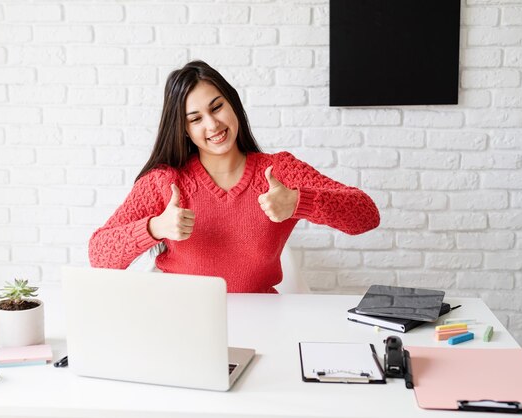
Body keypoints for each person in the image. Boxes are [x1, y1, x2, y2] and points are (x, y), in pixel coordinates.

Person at [88, 60, 380, 293]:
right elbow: (99, 254)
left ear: (233, 104)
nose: (213, 124)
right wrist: (154, 227)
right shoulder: (164, 182)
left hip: (262, 320)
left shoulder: (279, 171)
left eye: (217, 107)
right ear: (184, 129)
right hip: (181, 319)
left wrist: (298, 202)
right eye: (195, 119)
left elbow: (366, 215)